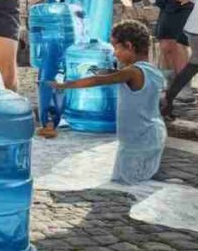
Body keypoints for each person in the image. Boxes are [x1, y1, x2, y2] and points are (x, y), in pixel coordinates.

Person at [52, 20, 167, 185]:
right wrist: (95, 68)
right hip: (149, 134)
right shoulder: (152, 70)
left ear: (129, 46)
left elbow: (99, 80)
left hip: (138, 140)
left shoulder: (132, 72)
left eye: (116, 48)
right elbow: (115, 74)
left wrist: (64, 85)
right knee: (135, 182)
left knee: (128, 185)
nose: (114, 54)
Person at [132, 0, 195, 102]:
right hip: (169, 10)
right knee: (166, 46)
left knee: (178, 46)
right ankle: (171, 84)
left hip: (181, 10)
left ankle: (184, 88)